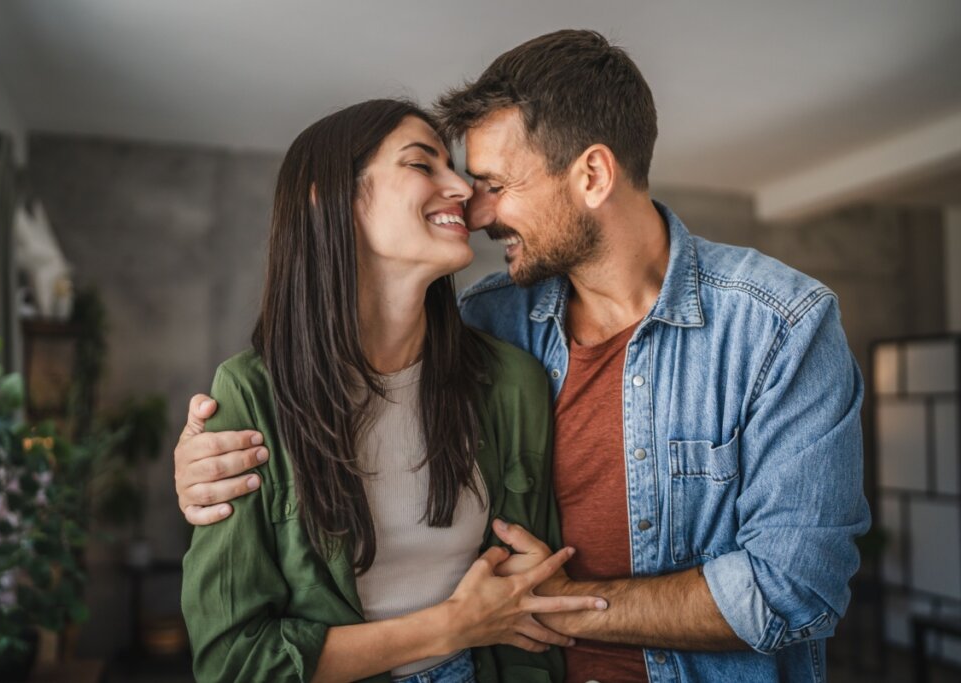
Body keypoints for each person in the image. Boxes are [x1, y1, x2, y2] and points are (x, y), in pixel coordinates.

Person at [176, 31, 870, 683]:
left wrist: (564, 599)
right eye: (456, 176)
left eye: (495, 185)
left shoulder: (779, 327)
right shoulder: (490, 319)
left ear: (593, 175)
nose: (475, 212)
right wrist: (203, 470)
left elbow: (793, 588)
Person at [179, 99, 607, 683]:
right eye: (421, 165)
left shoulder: (510, 382)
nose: (461, 188)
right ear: (326, 195)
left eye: (451, 167)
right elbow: (233, 662)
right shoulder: (249, 393)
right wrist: (451, 626)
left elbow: (528, 624)